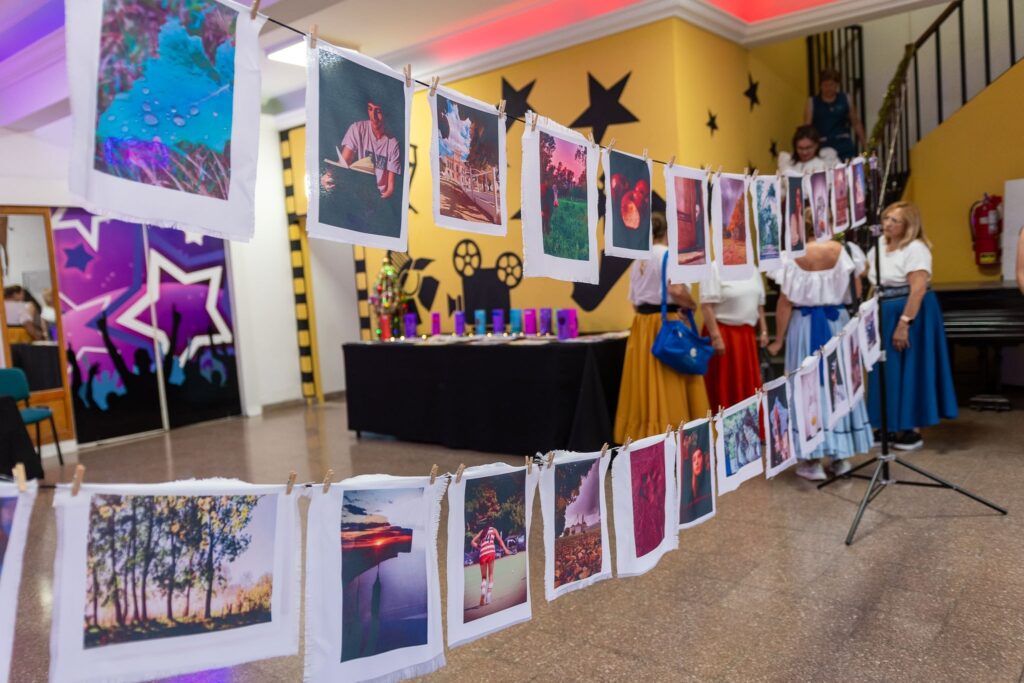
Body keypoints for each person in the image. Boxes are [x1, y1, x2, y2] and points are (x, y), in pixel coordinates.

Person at [767, 237, 873, 480]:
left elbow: (785, 302)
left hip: (803, 326)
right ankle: (840, 457)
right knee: (839, 384)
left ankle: (812, 460)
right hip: (838, 325)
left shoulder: (791, 256)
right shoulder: (847, 251)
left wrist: (779, 339)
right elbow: (856, 292)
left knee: (807, 387)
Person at [866, 201, 957, 450]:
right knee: (885, 368)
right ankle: (885, 424)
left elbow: (918, 289)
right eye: (886, 218)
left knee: (911, 366)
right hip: (884, 308)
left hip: (910, 310)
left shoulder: (916, 248)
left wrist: (904, 323)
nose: (887, 224)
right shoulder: (879, 246)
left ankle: (910, 428)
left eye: (894, 220)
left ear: (908, 225)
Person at [615, 213, 710, 442]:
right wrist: (691, 305)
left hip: (643, 325)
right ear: (667, 232)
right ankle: (674, 433)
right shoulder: (668, 255)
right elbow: (675, 289)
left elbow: (635, 302)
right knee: (670, 379)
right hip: (666, 324)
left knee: (645, 383)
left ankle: (645, 433)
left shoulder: (638, 261)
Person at [700, 265, 768, 412]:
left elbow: (760, 304)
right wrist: (716, 337)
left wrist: (763, 330)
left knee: (747, 382)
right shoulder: (714, 268)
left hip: (746, 336)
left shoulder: (752, 268)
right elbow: (706, 305)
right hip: (724, 334)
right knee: (726, 383)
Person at [321, 99, 401, 199]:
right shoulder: (357, 129)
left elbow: (390, 189)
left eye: (378, 111)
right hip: (359, 192)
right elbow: (344, 162)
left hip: (379, 196)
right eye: (370, 109)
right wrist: (329, 175)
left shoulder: (393, 142)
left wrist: (378, 200)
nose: (373, 117)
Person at [804, 68, 866, 162]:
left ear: (837, 85)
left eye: (831, 85)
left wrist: (865, 144)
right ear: (820, 86)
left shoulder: (846, 99)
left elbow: (856, 123)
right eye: (825, 85)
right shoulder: (812, 102)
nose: (828, 88)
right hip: (823, 145)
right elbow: (807, 127)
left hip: (843, 144)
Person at [470, 521, 510, 606]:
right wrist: (505, 549)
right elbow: (499, 540)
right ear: (492, 524)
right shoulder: (494, 530)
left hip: (483, 554)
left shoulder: (482, 532)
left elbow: (472, 542)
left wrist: (480, 547)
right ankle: (488, 596)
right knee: (491, 574)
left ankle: (483, 591)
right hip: (491, 552)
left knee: (484, 577)